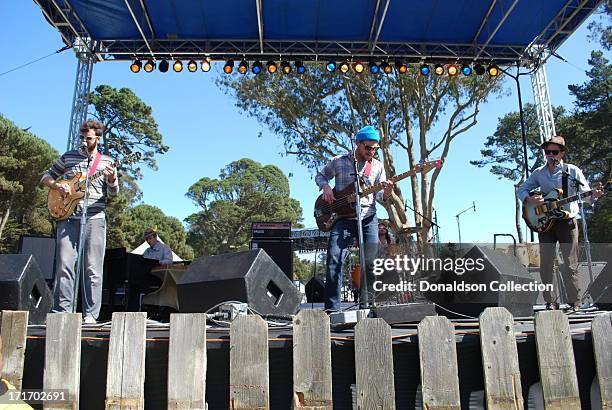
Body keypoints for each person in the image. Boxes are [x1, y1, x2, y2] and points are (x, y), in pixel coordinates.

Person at [40, 120, 118, 324]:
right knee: (65, 264)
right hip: (68, 217)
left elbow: (113, 194)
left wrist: (112, 180)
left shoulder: (106, 162)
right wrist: (57, 186)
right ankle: (62, 313)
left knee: (93, 268)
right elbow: (45, 178)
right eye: (82, 137)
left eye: (89, 138)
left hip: (94, 218)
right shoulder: (68, 157)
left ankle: (91, 316)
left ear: (98, 138)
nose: (84, 141)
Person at [518, 136, 603, 310]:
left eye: (554, 152)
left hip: (567, 222)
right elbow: (522, 189)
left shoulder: (572, 171)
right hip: (545, 224)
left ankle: (575, 302)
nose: (550, 155)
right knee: (547, 263)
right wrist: (530, 199)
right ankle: (550, 302)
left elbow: (586, 194)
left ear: (562, 153)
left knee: (569, 263)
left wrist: (594, 195)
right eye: (547, 151)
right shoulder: (538, 173)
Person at [315, 125, 393, 311]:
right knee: (335, 259)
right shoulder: (340, 161)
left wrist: (388, 192)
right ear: (357, 143)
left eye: (375, 148)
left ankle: (367, 306)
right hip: (342, 218)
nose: (371, 151)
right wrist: (326, 187)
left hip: (368, 217)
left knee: (371, 263)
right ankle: (332, 310)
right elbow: (320, 176)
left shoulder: (377, 166)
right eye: (368, 147)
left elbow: (381, 196)